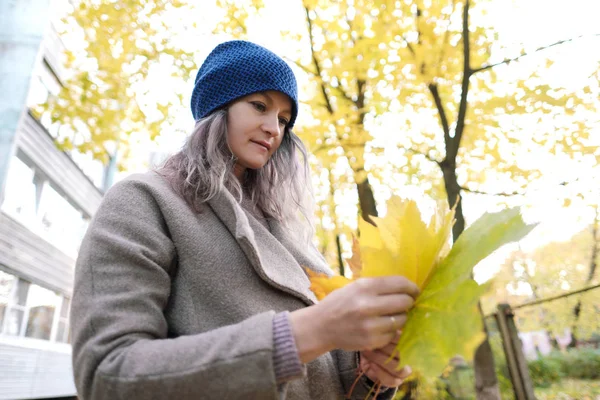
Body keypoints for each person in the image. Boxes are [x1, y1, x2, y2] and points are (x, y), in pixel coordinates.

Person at [70, 40, 420, 400]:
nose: (274, 128)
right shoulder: (145, 200)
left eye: (284, 119)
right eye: (259, 106)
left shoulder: (288, 231)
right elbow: (106, 375)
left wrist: (370, 372)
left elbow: (325, 375)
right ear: (218, 106)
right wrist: (304, 334)